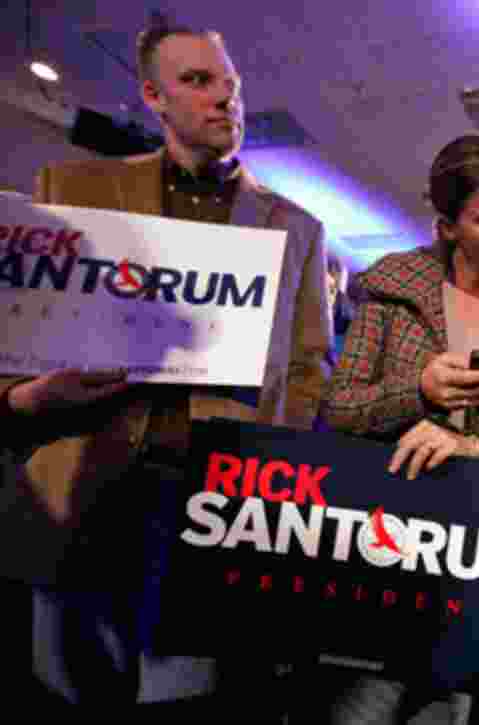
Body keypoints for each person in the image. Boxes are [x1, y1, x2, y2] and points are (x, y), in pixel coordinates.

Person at [0, 24, 331, 716]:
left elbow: (307, 368)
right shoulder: (73, 188)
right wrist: (32, 396)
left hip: (208, 503)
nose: (224, 100)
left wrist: (266, 463)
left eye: (230, 84)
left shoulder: (296, 225)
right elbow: (18, 337)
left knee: (183, 702)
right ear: (153, 95)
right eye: (198, 82)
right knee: (61, 694)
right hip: (80, 487)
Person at [322, 135, 479, 724]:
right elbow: (338, 411)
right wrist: (419, 391)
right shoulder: (393, 288)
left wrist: (470, 445)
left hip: (473, 562)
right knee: (358, 713)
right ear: (448, 227)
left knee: (447, 716)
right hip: (379, 549)